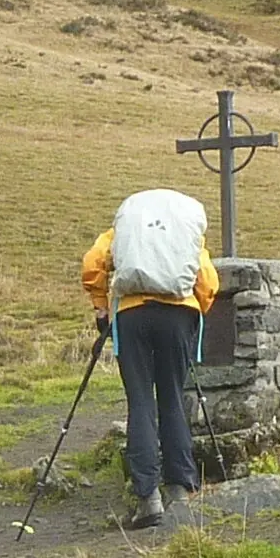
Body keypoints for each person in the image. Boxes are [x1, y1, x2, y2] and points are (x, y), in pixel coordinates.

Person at [80, 190, 219, 529]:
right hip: (178, 314)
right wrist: (197, 307)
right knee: (172, 398)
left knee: (140, 402)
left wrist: (100, 306)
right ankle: (179, 490)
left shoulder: (123, 233)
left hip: (132, 315)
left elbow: (93, 263)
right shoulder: (185, 233)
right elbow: (207, 280)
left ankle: (148, 499)